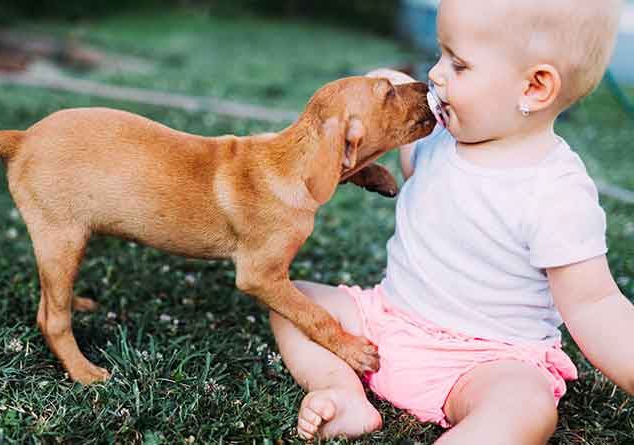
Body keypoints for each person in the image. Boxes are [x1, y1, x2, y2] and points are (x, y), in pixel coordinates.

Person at [270, 1, 633, 443]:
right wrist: (382, 84)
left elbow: (596, 305)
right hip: (387, 322)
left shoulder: (556, 192)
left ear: (535, 87)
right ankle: (340, 391)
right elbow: (399, 100)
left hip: (486, 360)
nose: (437, 75)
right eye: (439, 54)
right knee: (294, 301)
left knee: (524, 406)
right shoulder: (437, 140)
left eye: (458, 64)